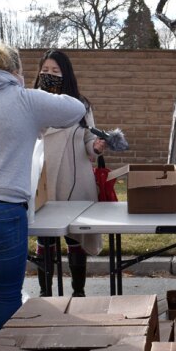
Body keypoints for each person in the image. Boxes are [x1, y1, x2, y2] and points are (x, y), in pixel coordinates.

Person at [0, 39, 86, 330]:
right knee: (7, 295)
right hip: (5, 210)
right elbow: (75, 109)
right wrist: (37, 86)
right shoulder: (26, 99)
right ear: (15, 70)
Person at [33, 50, 107, 296]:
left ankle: (79, 293)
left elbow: (89, 141)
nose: (49, 76)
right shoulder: (30, 101)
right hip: (41, 179)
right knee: (45, 239)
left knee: (76, 237)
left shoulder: (81, 106)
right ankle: (45, 294)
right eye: (45, 71)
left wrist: (95, 147)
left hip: (74, 179)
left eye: (55, 72)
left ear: (66, 75)